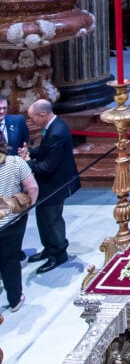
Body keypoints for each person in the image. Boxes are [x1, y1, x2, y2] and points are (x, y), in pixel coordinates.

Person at [18, 98, 81, 273]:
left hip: (56, 185)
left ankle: (58, 254)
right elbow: (45, 151)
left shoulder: (57, 132)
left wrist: (28, 163)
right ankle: (49, 248)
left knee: (52, 221)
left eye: (32, 118)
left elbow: (48, 166)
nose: (31, 122)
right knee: (43, 218)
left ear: (43, 115)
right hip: (48, 185)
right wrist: (30, 151)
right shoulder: (53, 126)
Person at [0, 141, 38, 310]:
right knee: (10, 260)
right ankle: (15, 299)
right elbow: (33, 188)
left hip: (8, 217)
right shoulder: (15, 162)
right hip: (12, 222)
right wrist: (26, 209)